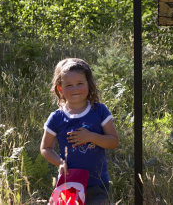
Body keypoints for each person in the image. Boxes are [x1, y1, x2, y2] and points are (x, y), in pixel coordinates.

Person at [40, 58, 119, 204]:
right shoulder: (56, 117)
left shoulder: (99, 111)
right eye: (69, 85)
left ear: (89, 84)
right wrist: (60, 162)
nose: (75, 89)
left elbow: (113, 141)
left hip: (97, 184)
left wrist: (91, 137)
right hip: (69, 183)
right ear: (60, 89)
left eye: (80, 83)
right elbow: (45, 148)